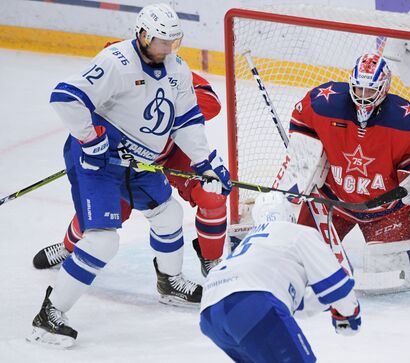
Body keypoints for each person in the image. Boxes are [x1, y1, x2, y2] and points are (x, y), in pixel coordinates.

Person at [28, 3, 231, 348]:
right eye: (161, 42)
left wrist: (206, 163)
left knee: (169, 215)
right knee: (103, 240)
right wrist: (91, 139)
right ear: (142, 34)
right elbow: (65, 97)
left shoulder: (177, 71)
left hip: (140, 162)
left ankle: (169, 283)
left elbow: (186, 121)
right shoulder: (116, 62)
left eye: (173, 42)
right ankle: (50, 313)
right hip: (99, 162)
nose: (167, 49)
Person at [32, 70, 227, 277]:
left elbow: (211, 103)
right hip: (126, 157)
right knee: (104, 210)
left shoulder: (173, 70)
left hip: (173, 152)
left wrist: (164, 95)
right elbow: (81, 101)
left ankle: (211, 257)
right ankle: (69, 247)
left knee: (213, 195)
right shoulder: (120, 61)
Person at [275, 52, 410, 245]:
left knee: (393, 268)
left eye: (370, 91)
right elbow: (302, 124)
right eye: (358, 88)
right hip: (330, 201)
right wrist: (303, 160)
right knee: (300, 252)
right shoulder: (325, 104)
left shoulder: (404, 119)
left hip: (386, 209)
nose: (362, 96)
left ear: (384, 88)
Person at [200, 193, 361, 363]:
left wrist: (329, 304)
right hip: (252, 302)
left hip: (211, 312)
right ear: (290, 215)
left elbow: (294, 302)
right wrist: (349, 315)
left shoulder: (251, 243)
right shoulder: (300, 233)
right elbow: (336, 285)